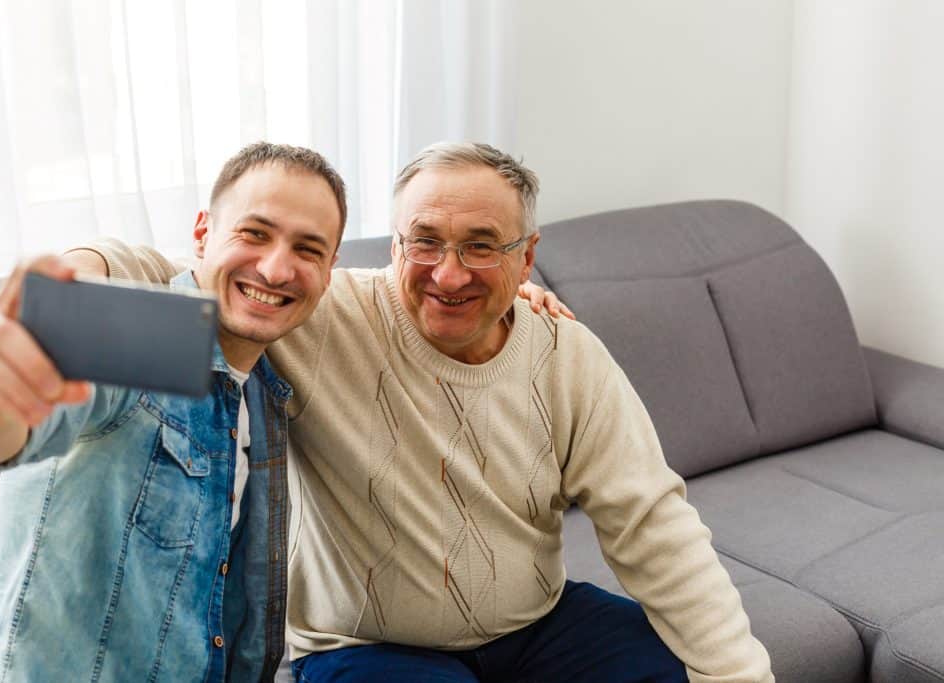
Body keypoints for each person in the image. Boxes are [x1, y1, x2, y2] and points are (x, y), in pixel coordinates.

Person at [76, 142, 775, 682]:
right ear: (395, 245)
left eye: (481, 245)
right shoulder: (320, 316)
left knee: (678, 668)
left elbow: (654, 524)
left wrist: (741, 673)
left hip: (537, 622)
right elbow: (184, 276)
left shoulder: (567, 354)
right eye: (427, 241)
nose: (449, 272)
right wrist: (77, 270)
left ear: (526, 257)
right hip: (366, 644)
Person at [0, 142, 348, 682]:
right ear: (202, 234)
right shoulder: (126, 336)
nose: (275, 268)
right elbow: (12, 431)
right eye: (254, 233)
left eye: (308, 249)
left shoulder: (268, 393)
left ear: (331, 269)